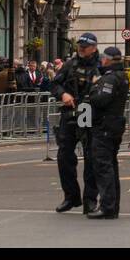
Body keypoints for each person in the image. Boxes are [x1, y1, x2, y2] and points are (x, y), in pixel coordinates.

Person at [49, 31, 102, 214]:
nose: (81, 48)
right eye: (80, 45)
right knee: (64, 155)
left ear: (93, 48)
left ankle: (90, 199)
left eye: (85, 46)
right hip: (70, 111)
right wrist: (63, 94)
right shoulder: (70, 64)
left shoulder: (100, 65)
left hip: (87, 111)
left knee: (89, 156)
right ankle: (71, 196)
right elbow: (55, 84)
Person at [86, 47, 129, 220]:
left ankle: (108, 206)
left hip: (105, 126)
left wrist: (93, 88)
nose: (102, 60)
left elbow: (101, 100)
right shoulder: (121, 76)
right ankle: (112, 205)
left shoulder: (110, 78)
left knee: (104, 167)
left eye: (104, 58)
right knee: (111, 166)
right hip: (113, 124)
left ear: (109, 59)